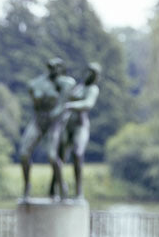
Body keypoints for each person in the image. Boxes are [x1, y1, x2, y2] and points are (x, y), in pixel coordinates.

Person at [19, 57, 76, 198]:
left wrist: (54, 114)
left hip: (54, 123)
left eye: (58, 67)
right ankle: (27, 186)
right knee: (24, 153)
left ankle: (61, 186)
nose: (54, 70)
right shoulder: (36, 83)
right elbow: (33, 94)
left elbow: (61, 105)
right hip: (38, 121)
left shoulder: (65, 83)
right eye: (52, 67)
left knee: (52, 156)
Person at [48, 62, 100, 199]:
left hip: (80, 126)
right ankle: (54, 189)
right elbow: (63, 96)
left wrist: (71, 105)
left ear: (95, 76)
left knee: (77, 154)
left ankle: (78, 191)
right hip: (67, 126)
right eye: (88, 71)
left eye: (92, 73)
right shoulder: (78, 87)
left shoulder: (93, 89)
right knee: (59, 157)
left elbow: (88, 104)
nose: (88, 75)